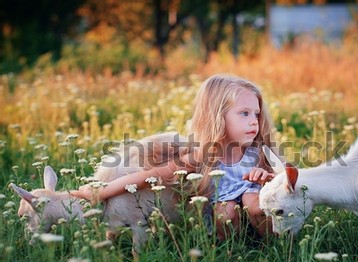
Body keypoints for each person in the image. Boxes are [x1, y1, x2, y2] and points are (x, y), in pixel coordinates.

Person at [72, 74, 276, 240]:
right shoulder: (201, 156)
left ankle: (274, 245)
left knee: (254, 203)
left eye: (256, 114)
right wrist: (101, 192)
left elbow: (285, 181)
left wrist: (266, 176)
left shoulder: (258, 151)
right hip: (226, 214)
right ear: (217, 117)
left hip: (256, 210)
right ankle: (235, 250)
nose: (253, 122)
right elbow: (151, 176)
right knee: (225, 213)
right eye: (244, 114)